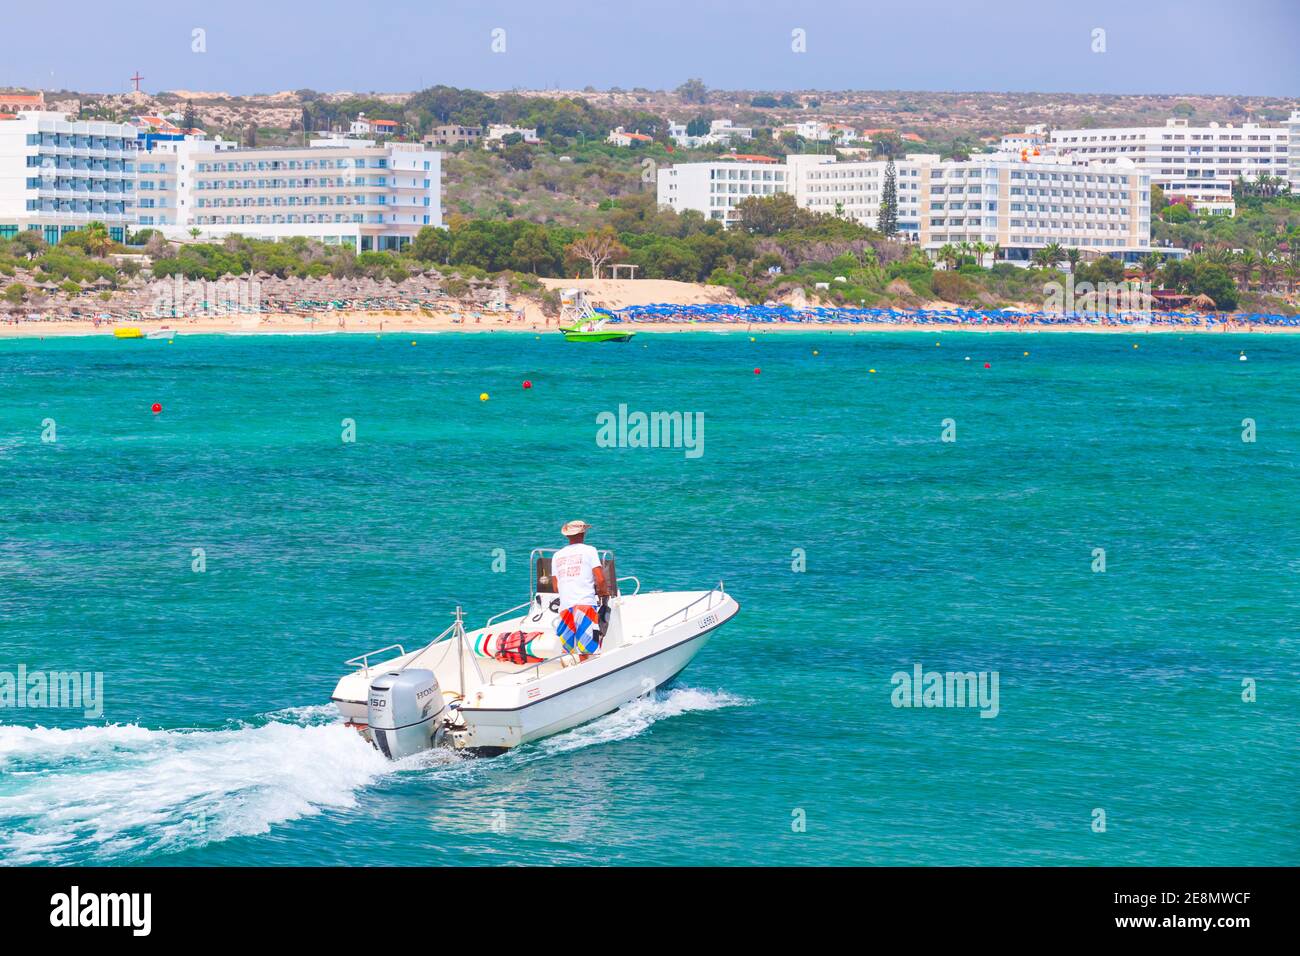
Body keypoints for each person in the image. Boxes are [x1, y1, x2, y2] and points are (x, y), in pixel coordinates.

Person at [550, 520, 609, 659]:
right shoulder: (589, 550)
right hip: (585, 605)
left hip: (565, 608)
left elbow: (555, 586)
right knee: (586, 650)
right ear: (583, 533)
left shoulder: (557, 555)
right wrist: (603, 593)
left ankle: (567, 676)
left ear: (567, 536)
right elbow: (600, 579)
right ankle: (587, 676)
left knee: (568, 652)